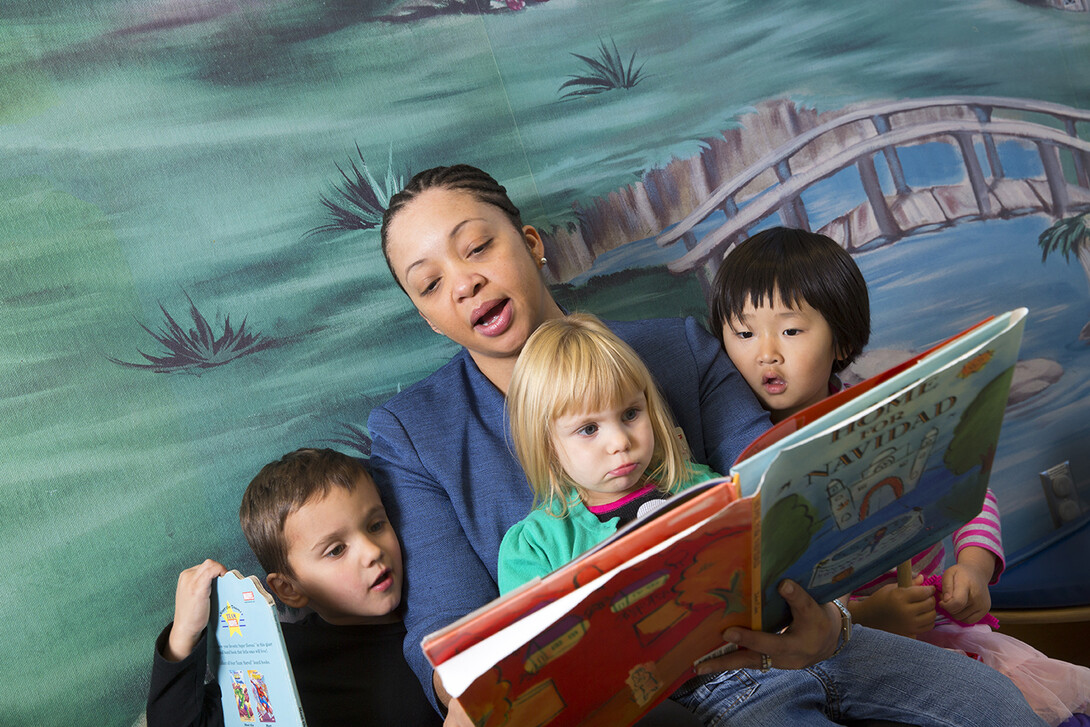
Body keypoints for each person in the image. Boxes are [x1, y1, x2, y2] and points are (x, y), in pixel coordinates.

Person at [368, 165, 1046, 726]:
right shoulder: (415, 432)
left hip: (793, 633)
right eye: (429, 283)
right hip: (657, 695)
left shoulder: (679, 346)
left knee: (995, 706)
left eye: (478, 246)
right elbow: (447, 632)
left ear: (532, 241)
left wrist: (829, 617)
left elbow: (782, 485)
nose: (463, 281)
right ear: (426, 314)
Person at [712, 225, 1088, 725]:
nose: (766, 353)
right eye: (743, 333)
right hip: (841, 644)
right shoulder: (733, 447)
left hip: (934, 627)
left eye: (791, 330)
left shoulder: (884, 416)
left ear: (842, 341)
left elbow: (965, 484)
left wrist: (974, 567)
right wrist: (867, 617)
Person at [145, 448, 443, 727]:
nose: (372, 551)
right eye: (336, 550)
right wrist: (183, 634)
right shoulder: (277, 658)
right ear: (289, 590)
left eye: (376, 525)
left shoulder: (443, 608)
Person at [498, 313, 721, 593]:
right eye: (589, 429)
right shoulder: (536, 547)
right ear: (548, 445)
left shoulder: (701, 487)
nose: (620, 442)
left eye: (630, 413)